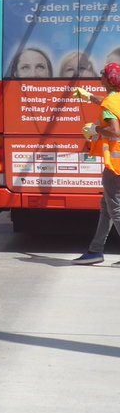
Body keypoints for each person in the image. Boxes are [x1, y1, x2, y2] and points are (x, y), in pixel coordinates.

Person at [70, 62, 120, 264]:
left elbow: (115, 130)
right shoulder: (115, 99)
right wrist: (88, 96)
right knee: (106, 207)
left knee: (115, 209)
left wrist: (95, 130)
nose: (99, 79)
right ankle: (95, 250)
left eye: (102, 76)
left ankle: (95, 250)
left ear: (108, 81)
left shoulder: (110, 105)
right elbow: (106, 103)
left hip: (114, 165)